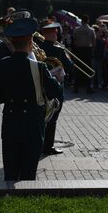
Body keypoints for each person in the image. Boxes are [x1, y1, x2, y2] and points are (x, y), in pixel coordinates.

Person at [0, 18, 62, 181]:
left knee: (10, 172)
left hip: (10, 121)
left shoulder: (1, 65)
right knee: (28, 174)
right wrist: (56, 79)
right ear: (30, 41)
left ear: (12, 42)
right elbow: (56, 91)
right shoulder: (39, 67)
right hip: (32, 124)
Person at [39, 21, 74, 155]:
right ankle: (48, 147)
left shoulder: (39, 47)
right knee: (52, 118)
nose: (56, 35)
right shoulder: (59, 50)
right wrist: (67, 55)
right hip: (56, 88)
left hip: (42, 86)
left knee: (42, 115)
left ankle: (40, 143)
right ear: (53, 34)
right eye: (55, 33)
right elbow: (70, 67)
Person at [72, 14, 95, 94]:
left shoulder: (76, 29)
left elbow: (74, 41)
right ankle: (88, 87)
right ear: (88, 20)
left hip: (79, 50)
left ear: (81, 20)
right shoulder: (91, 30)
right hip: (88, 50)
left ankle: (76, 87)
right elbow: (94, 42)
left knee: (78, 69)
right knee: (88, 69)